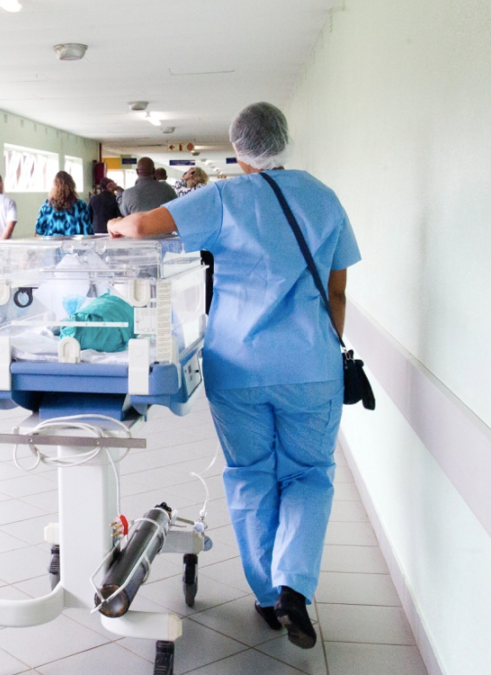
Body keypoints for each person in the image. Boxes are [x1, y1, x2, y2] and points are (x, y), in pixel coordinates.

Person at [109, 102, 361, 650]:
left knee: (250, 475)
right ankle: (295, 585)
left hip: (239, 365)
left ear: (239, 149)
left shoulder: (225, 197)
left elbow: (142, 227)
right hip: (312, 367)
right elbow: (337, 293)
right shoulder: (324, 198)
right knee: (308, 475)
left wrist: (114, 219)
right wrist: (320, 347)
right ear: (285, 140)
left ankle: (269, 598)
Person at [35, 171, 93, 236]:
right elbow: (88, 231)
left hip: (51, 244)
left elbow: (39, 229)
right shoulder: (81, 205)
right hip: (73, 245)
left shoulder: (47, 205)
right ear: (72, 185)